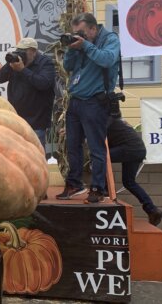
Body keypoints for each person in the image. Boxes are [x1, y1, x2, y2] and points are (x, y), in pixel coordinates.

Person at [56, 12, 120, 203]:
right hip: (76, 100)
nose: (80, 36)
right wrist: (73, 49)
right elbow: (68, 66)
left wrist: (85, 45)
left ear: (93, 28)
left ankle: (98, 189)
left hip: (95, 101)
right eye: (76, 33)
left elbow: (108, 59)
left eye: (82, 32)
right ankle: (74, 183)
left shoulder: (110, 39)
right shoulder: (82, 43)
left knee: (96, 148)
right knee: (73, 145)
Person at [0, 37, 55, 148]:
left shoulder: (45, 63)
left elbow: (43, 84)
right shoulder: (15, 64)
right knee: (17, 153)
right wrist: (9, 64)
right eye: (18, 50)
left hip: (37, 121)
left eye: (23, 51)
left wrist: (23, 70)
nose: (20, 54)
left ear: (33, 51)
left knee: (36, 155)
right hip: (17, 119)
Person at [106, 116, 162, 225]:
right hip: (138, 149)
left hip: (130, 148)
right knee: (129, 182)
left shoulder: (104, 119)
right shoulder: (114, 119)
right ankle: (152, 210)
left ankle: (104, 192)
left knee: (100, 157)